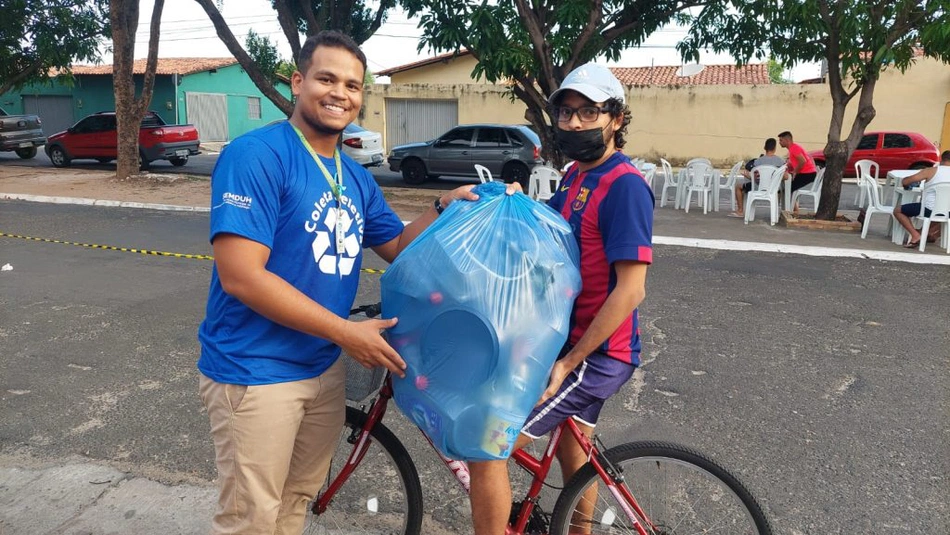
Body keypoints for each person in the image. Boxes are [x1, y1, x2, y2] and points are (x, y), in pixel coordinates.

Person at [196, 31, 488, 534]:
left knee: (294, 501)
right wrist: (345, 332)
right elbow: (241, 276)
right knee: (251, 517)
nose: (339, 94)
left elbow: (396, 245)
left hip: (322, 366)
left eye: (352, 85)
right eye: (326, 78)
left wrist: (446, 204)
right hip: (256, 370)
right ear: (298, 82)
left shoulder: (350, 175)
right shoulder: (257, 156)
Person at [467, 63, 654, 535]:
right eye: (566, 113)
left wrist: (569, 362)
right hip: (567, 340)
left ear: (615, 118)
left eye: (588, 112)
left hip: (596, 354)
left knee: (489, 448)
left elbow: (632, 289)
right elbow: (544, 232)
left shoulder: (625, 185)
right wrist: (510, 200)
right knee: (577, 460)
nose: (573, 124)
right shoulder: (575, 175)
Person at [892, 150, 950, 248]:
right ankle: (930, 234)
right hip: (947, 211)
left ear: (941, 159)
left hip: (928, 209)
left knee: (897, 210)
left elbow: (906, 181)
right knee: (943, 215)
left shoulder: (930, 171)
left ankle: (915, 235)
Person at [730, 137, 785, 218]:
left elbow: (754, 177)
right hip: (774, 189)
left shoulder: (758, 161)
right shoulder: (780, 161)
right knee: (782, 189)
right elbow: (786, 177)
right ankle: (777, 212)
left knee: (738, 187)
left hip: (757, 187)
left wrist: (747, 175)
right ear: (775, 148)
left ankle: (740, 210)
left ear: (764, 148)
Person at [777, 130, 818, 212]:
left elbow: (803, 161)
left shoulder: (794, 148)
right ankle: (793, 210)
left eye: (781, 140)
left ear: (787, 140)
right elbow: (806, 158)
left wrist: (795, 172)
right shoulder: (794, 148)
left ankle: (793, 211)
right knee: (787, 188)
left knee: (788, 189)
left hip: (808, 174)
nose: (779, 142)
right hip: (806, 173)